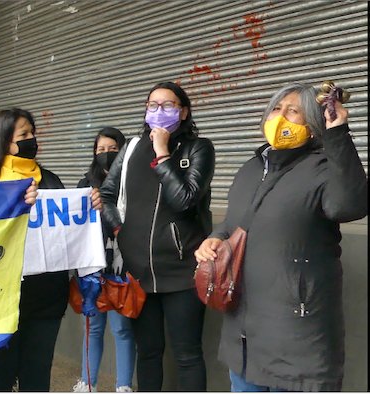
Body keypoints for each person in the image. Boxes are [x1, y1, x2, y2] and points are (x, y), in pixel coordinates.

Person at [195, 82, 367, 391]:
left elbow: (349, 205)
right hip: (244, 335)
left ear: (314, 125)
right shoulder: (250, 169)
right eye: (276, 108)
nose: (280, 117)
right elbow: (234, 224)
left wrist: (338, 134)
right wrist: (215, 239)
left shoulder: (324, 168)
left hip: (298, 336)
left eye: (293, 111)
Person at [100, 82, 215, 391]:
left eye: (168, 105)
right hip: (138, 273)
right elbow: (108, 195)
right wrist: (120, 229)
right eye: (153, 105)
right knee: (148, 353)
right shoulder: (132, 147)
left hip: (182, 273)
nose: (159, 111)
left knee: (187, 354)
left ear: (184, 111)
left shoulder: (199, 148)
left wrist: (163, 154)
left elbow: (185, 199)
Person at [0, 108, 85, 392]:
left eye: (33, 133)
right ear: (3, 140)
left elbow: (68, 231)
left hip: (45, 300)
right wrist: (13, 203)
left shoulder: (50, 181)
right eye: (24, 134)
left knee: (37, 379)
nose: (33, 140)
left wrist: (88, 206)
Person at [72, 127, 136, 393]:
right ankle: (88, 383)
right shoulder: (85, 184)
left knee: (122, 329)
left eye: (113, 149)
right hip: (91, 267)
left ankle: (123, 386)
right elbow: (72, 221)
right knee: (93, 327)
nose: (106, 154)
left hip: (122, 265)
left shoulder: (133, 180)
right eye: (101, 150)